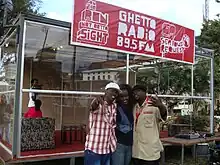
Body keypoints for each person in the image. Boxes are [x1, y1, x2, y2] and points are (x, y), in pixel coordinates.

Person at [84, 82, 120, 165]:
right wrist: (96, 102)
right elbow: (93, 107)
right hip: (94, 148)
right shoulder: (98, 103)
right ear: (106, 91)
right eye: (112, 91)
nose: (114, 93)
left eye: (116, 92)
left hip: (106, 148)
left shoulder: (114, 106)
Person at [132, 85, 167, 165]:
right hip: (136, 152)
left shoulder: (153, 105)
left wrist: (161, 106)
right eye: (134, 92)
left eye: (138, 91)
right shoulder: (134, 107)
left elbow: (164, 116)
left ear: (145, 93)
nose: (135, 94)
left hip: (150, 152)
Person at [111, 84, 134, 165]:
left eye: (126, 96)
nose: (124, 98)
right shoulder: (115, 108)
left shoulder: (133, 107)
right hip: (119, 144)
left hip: (130, 144)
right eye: (121, 96)